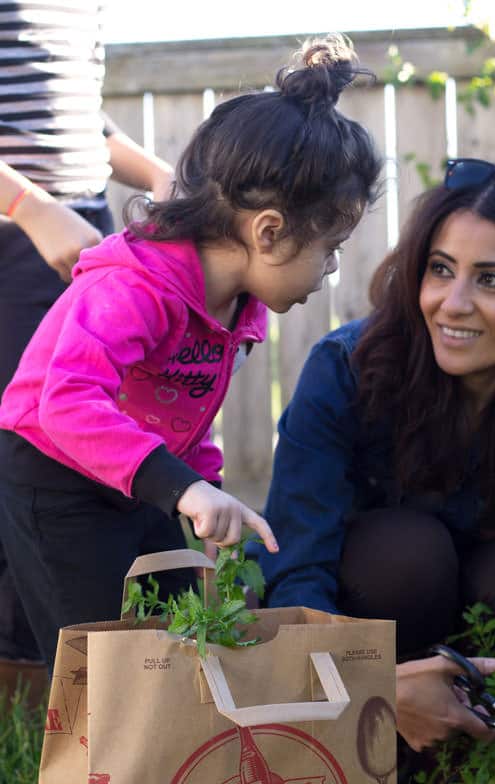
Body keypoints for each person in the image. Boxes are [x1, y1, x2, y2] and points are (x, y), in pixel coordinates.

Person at [0, 33, 382, 669]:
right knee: (105, 662)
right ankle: (91, 760)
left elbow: (185, 408)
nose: (333, 268)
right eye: (330, 247)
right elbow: (64, 400)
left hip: (141, 474)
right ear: (269, 232)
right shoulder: (135, 287)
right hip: (56, 474)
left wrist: (206, 494)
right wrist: (183, 490)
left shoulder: (238, 308)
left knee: (179, 638)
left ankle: (174, 756)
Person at [256, 157, 495, 751]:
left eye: (492, 280)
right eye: (441, 270)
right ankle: (393, 758)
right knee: (402, 555)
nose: (453, 304)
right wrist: (373, 691)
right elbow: (296, 573)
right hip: (372, 665)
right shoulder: (346, 371)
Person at [0, 0, 174, 698]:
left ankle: (63, 671)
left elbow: (74, 116)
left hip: (79, 220)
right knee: (30, 453)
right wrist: (29, 207)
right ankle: (28, 682)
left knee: (93, 442)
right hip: (19, 227)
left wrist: (159, 175)